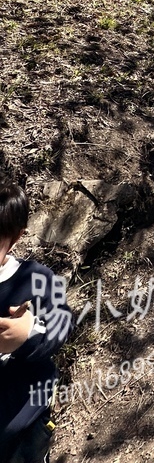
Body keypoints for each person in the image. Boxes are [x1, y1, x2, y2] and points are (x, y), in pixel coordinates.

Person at [0, 182, 74, 463]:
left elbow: (63, 321)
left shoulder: (38, 278)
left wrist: (29, 333)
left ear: (17, 237)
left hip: (23, 422)